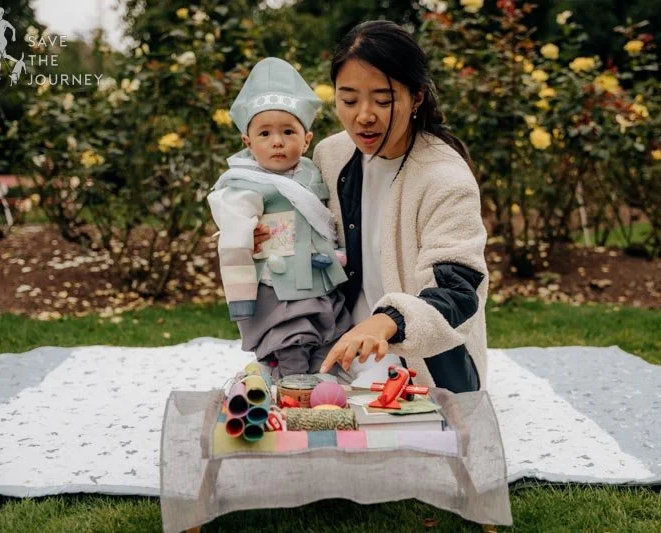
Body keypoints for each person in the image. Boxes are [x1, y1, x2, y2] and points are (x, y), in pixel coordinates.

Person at [291, 20, 487, 391]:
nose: (364, 115)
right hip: (339, 347)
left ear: (417, 97)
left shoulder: (446, 179)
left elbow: (458, 290)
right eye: (349, 100)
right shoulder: (331, 155)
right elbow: (311, 230)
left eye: (383, 100)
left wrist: (387, 321)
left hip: (423, 366)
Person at [208, 57, 352, 380]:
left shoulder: (313, 173)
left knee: (327, 334)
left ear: (307, 139)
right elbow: (233, 234)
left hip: (319, 279)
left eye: (288, 131)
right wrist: (241, 239)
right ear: (247, 143)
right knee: (291, 339)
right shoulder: (244, 184)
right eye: (265, 133)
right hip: (278, 286)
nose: (277, 141)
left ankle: (324, 385)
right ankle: (292, 389)